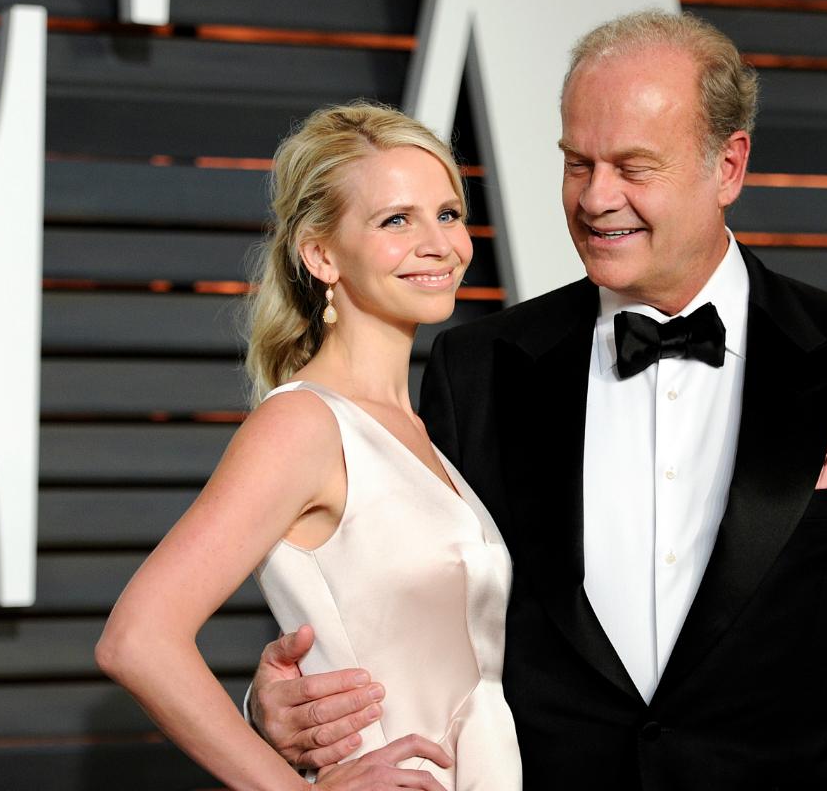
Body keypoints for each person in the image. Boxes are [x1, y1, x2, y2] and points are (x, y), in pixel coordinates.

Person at [249, 10, 827, 789]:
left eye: (633, 167)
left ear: (729, 165)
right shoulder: (475, 367)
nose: (596, 197)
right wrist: (273, 708)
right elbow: (400, 603)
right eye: (578, 164)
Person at [96, 102, 523, 791]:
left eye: (447, 213)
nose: (440, 243)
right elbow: (136, 640)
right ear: (321, 253)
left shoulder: (418, 432)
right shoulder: (303, 426)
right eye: (396, 220)